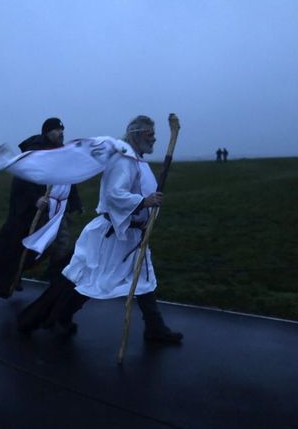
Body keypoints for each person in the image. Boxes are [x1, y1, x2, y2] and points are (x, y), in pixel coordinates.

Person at [16, 115, 183, 344]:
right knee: (87, 282)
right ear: (136, 134)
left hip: (131, 235)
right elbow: (115, 194)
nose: (154, 138)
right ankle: (49, 317)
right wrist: (144, 202)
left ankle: (156, 329)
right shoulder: (124, 160)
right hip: (112, 236)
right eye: (149, 133)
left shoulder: (136, 159)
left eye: (154, 133)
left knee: (143, 279)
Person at [0, 117, 82, 298]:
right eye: (56, 130)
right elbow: (23, 181)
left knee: (62, 243)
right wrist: (35, 199)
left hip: (56, 210)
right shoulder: (35, 152)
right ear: (47, 132)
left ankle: (55, 278)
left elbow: (67, 177)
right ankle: (10, 274)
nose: (61, 133)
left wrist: (75, 202)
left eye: (62, 130)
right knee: (31, 249)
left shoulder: (60, 152)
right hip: (36, 210)